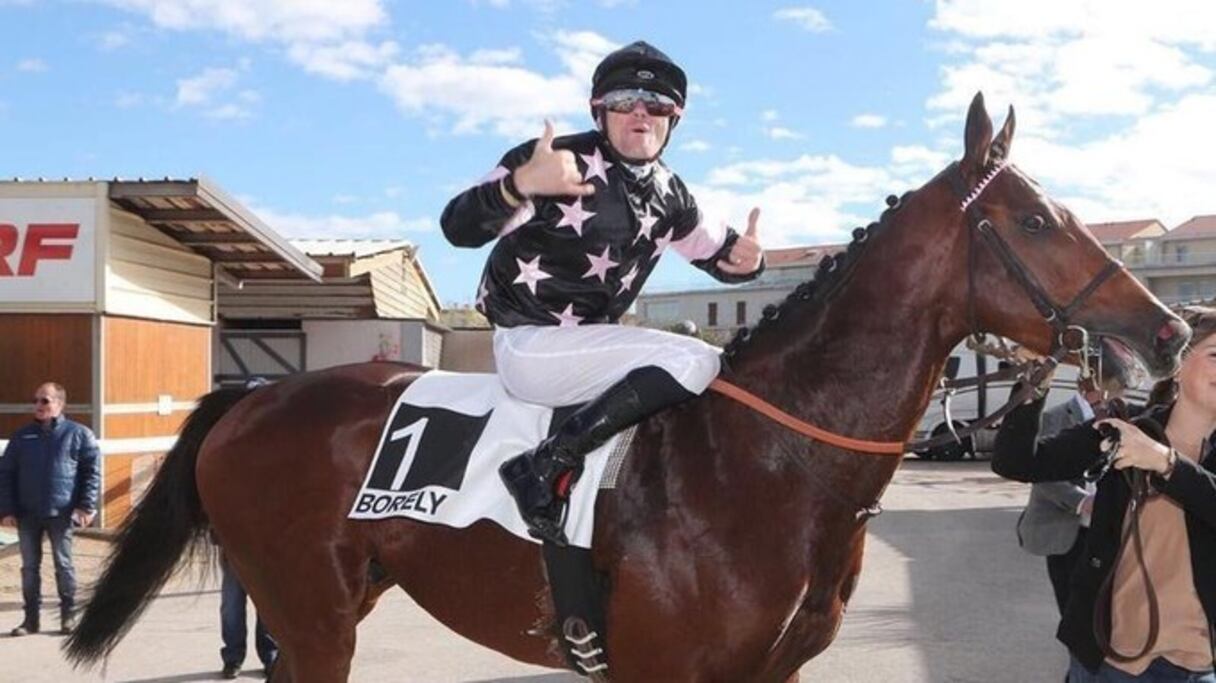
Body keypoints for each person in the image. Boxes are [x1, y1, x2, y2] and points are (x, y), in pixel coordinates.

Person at [441, 40, 765, 546]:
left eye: (656, 105)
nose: (640, 113)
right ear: (600, 112)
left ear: (672, 119)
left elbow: (720, 254)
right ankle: (543, 467)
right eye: (623, 102)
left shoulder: (672, 193)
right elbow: (457, 228)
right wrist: (521, 183)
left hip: (590, 347)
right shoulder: (556, 161)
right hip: (531, 344)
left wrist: (751, 262)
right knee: (698, 359)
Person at [992, 307, 1216, 682]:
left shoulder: (1149, 447)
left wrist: (1166, 464)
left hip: (1197, 666)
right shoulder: (1124, 430)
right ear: (1177, 365)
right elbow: (1018, 462)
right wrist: (1035, 377)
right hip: (1106, 661)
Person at [0, 382, 100, 636]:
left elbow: (92, 474)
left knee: (63, 565)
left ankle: (69, 618)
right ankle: (30, 620)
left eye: (45, 400)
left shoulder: (79, 434)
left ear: (59, 403)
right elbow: (6, 473)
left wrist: (85, 506)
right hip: (27, 514)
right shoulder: (22, 437)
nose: (39, 406)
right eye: (36, 401)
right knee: (29, 568)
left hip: (62, 513)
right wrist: (7, 509)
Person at [1017, 382, 1123, 616]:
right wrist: (1082, 502)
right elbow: (1040, 475)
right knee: (1073, 612)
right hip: (1066, 533)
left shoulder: (1124, 417)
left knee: (1108, 611)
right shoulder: (1052, 418)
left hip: (1111, 532)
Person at [218, 551, 278, 679]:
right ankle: (233, 658)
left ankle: (270, 655)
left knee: (267, 606)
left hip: (266, 550)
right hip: (234, 550)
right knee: (231, 605)